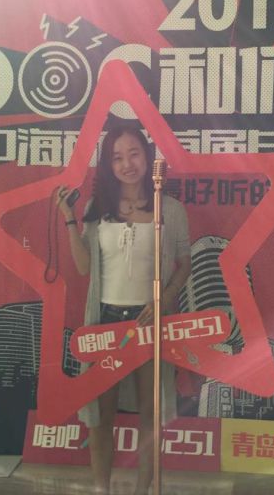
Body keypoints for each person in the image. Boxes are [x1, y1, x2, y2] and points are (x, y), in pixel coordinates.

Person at [56, 125, 191, 495]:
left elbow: (184, 263)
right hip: (105, 323)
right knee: (100, 417)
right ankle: (101, 489)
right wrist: (70, 219)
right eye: (117, 157)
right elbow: (84, 267)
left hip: (149, 324)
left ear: (147, 157)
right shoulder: (96, 209)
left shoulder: (170, 208)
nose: (127, 164)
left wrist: (163, 300)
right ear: (108, 165)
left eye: (133, 153)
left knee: (151, 416)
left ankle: (143, 489)